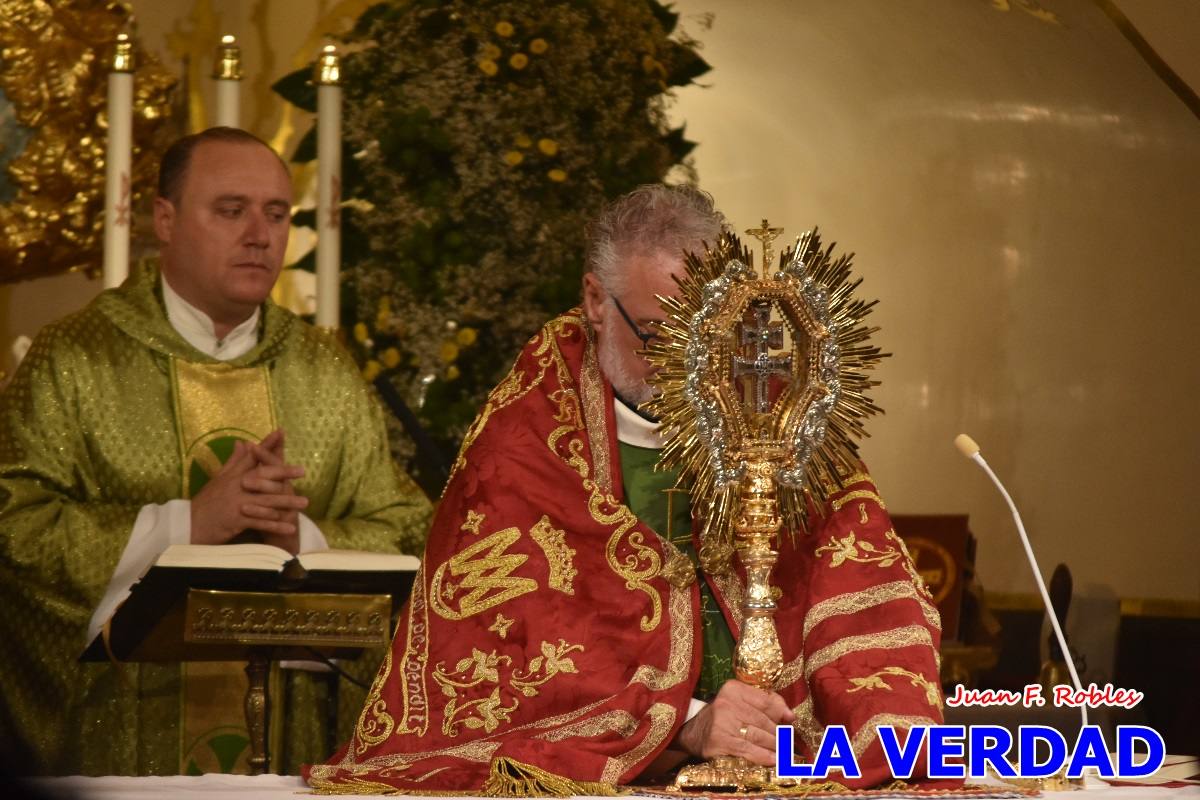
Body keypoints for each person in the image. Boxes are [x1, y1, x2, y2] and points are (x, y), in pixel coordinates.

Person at [307, 185, 945, 792]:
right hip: (615, 775)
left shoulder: (777, 415)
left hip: (790, 763)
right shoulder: (527, 434)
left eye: (703, 335)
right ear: (593, 299)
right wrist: (689, 720)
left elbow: (865, 584)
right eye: (656, 336)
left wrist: (884, 725)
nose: (682, 368)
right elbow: (515, 639)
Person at [0, 127, 431, 775]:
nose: (260, 234)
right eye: (231, 210)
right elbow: (15, 530)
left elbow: (407, 530)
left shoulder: (323, 370)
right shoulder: (76, 358)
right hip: (126, 743)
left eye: (277, 213)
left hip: (291, 746)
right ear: (164, 219)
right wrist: (190, 525)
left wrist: (299, 539)